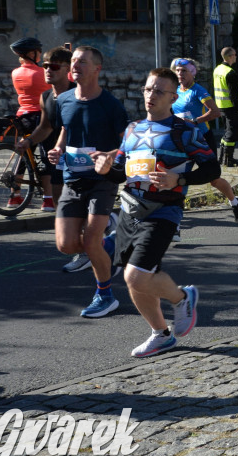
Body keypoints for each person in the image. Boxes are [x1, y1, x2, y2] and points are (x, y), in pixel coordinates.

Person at [92, 68, 219, 357]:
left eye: (159, 91)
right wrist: (105, 170)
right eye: (148, 89)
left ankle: (182, 298)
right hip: (130, 209)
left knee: (136, 276)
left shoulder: (184, 131)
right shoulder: (132, 130)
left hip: (164, 210)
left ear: (174, 97)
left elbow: (213, 169)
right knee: (133, 279)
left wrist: (180, 180)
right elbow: (120, 175)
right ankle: (161, 334)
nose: (151, 95)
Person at [47, 46, 129, 318]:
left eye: (82, 62)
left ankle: (105, 295)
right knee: (66, 246)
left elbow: (127, 144)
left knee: (91, 240)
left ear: (97, 69)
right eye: (73, 61)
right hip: (72, 179)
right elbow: (66, 129)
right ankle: (110, 246)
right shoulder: (64, 99)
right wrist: (58, 149)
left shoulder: (110, 104)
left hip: (101, 181)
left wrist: (109, 156)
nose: (75, 66)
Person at [170, 58, 238, 233]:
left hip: (202, 138)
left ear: (192, 72)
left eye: (184, 71)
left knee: (214, 179)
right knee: (178, 178)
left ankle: (235, 202)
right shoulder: (174, 91)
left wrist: (194, 121)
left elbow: (216, 112)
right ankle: (175, 225)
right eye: (178, 71)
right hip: (182, 141)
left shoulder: (198, 91)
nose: (180, 74)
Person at [15, 46, 74, 225]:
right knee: (61, 212)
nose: (48, 70)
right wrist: (29, 141)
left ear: (68, 69)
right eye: (46, 66)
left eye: (54, 67)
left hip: (79, 161)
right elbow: (45, 127)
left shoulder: (78, 93)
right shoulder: (46, 96)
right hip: (56, 161)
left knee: (81, 213)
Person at [9, 37, 53, 209]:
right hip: (40, 117)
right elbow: (58, 85)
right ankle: (48, 199)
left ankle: (14, 196)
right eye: (38, 51)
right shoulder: (40, 73)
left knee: (24, 155)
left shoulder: (15, 73)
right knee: (46, 156)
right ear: (31, 54)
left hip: (22, 116)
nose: (41, 54)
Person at [211, 46, 238, 167]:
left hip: (221, 105)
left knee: (227, 131)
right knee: (232, 133)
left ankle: (222, 158)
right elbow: (234, 92)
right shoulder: (230, 72)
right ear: (230, 56)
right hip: (231, 107)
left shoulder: (217, 69)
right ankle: (229, 159)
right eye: (234, 55)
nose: (236, 56)